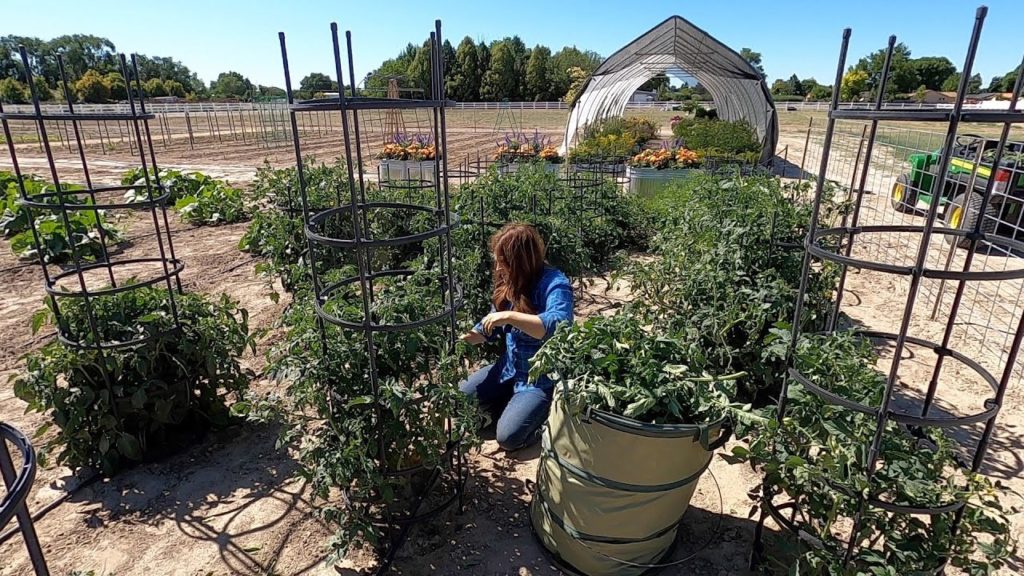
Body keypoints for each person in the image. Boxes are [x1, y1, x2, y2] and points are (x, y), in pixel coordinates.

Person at [460, 222, 574, 451]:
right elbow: (488, 327)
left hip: (539, 380)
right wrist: (460, 341)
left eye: (502, 262)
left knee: (508, 438)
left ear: (520, 262)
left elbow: (557, 325)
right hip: (509, 369)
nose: (498, 268)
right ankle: (510, 406)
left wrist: (509, 317)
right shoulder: (512, 281)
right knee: (460, 398)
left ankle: (541, 415)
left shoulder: (555, 284)